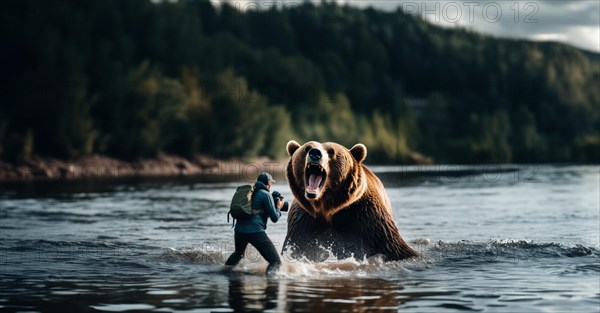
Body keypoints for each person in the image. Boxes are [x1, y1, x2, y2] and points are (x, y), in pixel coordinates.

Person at [223, 172, 284, 276]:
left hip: (239, 231)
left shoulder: (251, 193)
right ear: (268, 183)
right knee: (275, 262)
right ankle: (271, 283)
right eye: (271, 183)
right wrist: (278, 206)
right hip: (255, 232)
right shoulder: (265, 194)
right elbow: (274, 218)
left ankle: (223, 273)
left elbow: (257, 211)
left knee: (238, 254)